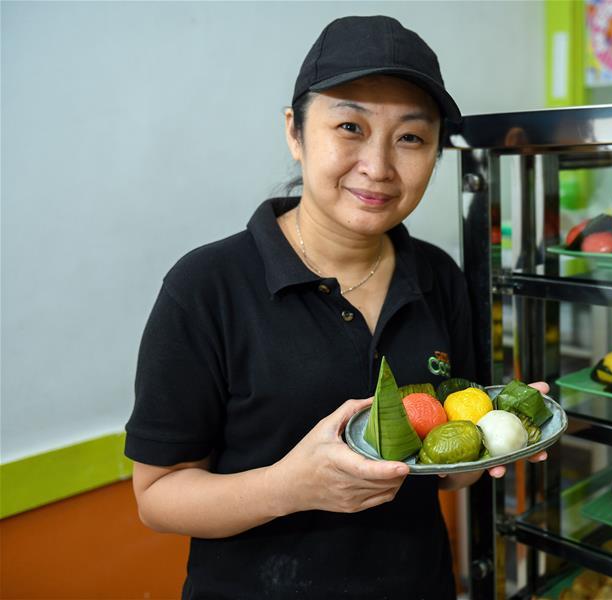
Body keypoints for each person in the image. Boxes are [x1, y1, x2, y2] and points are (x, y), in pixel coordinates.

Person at [125, 15, 547, 599]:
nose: (378, 166)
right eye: (350, 126)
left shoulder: (438, 277)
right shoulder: (207, 285)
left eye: (411, 138)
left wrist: (501, 437)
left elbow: (449, 472)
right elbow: (156, 497)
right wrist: (288, 487)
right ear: (295, 133)